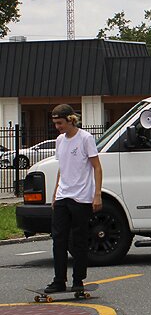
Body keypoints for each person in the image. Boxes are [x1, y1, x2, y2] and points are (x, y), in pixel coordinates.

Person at [44, 104, 103, 294]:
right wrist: (55, 193)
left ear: (70, 119)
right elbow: (62, 167)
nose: (57, 127)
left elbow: (97, 167)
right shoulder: (60, 140)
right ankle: (59, 280)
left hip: (81, 197)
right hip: (63, 195)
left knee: (79, 240)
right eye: (55, 123)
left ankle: (78, 279)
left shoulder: (85, 138)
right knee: (58, 239)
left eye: (60, 123)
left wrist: (97, 194)